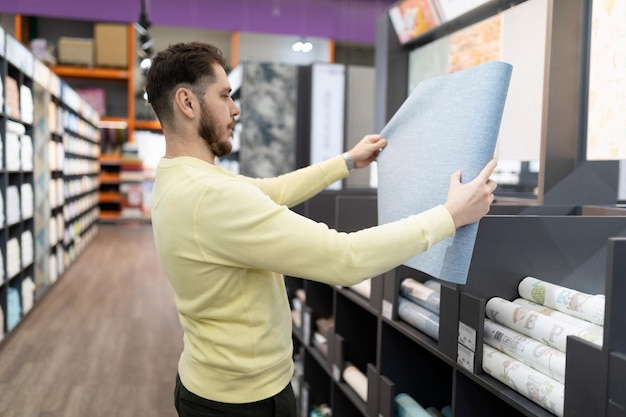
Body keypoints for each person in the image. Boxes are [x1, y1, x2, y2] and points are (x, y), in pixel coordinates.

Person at [145, 41, 497, 417]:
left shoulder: (178, 179)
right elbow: (344, 259)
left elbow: (273, 190)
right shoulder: (210, 196)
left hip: (209, 384)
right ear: (187, 102)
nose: (236, 109)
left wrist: (347, 161)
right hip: (242, 403)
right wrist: (449, 216)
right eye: (225, 95)